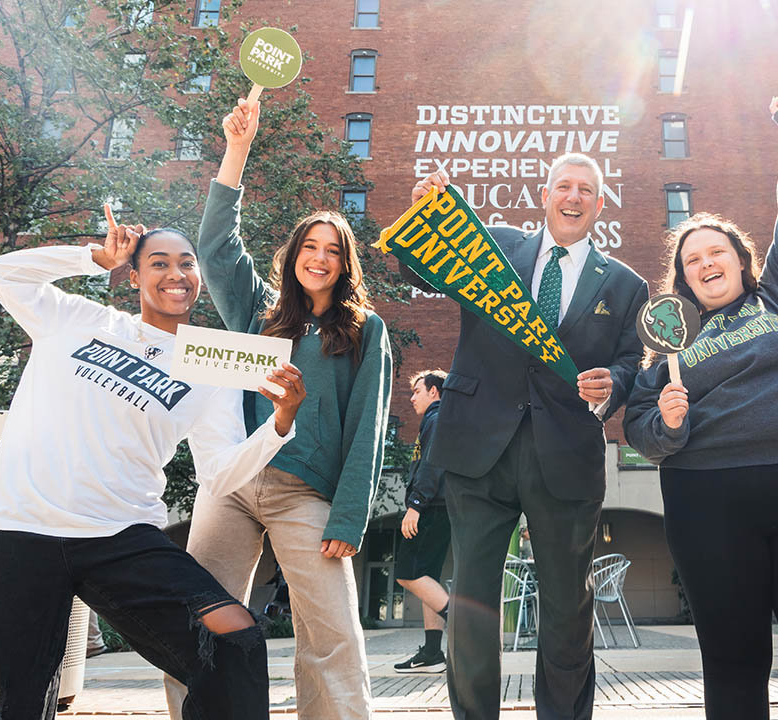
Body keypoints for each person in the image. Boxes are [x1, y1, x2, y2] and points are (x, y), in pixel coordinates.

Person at [0, 213, 305, 720]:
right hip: (21, 529)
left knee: (233, 637)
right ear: (135, 274)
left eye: (186, 264)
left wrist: (279, 424)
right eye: (159, 262)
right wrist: (92, 258)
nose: (176, 274)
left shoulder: (211, 362)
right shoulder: (80, 318)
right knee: (2, 703)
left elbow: (218, 474)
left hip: (121, 537)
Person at [623, 97, 778, 719]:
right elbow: (640, 431)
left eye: (716, 252)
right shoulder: (670, 344)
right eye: (692, 259)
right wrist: (669, 423)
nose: (706, 263)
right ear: (682, 277)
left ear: (741, 258)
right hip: (707, 501)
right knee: (734, 666)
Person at [163, 98, 393, 720]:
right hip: (232, 486)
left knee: (334, 634)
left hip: (305, 493)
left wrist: (349, 516)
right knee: (200, 619)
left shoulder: (365, 331)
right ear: (293, 255)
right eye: (309, 246)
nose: (319, 257)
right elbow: (214, 248)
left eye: (333, 249)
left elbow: (368, 425)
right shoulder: (259, 313)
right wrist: (236, 150)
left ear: (346, 263)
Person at [407, 154, 648, 719]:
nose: (574, 196)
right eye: (564, 185)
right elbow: (419, 271)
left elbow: (633, 360)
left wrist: (611, 382)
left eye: (586, 189)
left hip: (565, 457)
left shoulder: (623, 283)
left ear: (600, 204)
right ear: (544, 194)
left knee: (568, 611)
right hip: (477, 450)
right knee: (471, 607)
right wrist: (427, 215)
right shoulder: (493, 246)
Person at [393, 369, 452, 673]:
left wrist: (415, 505)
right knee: (426, 576)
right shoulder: (437, 419)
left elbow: (433, 464)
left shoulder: (437, 418)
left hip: (432, 507)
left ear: (434, 391)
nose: (412, 397)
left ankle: (463, 626)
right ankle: (432, 654)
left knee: (408, 573)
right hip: (438, 507)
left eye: (417, 391)